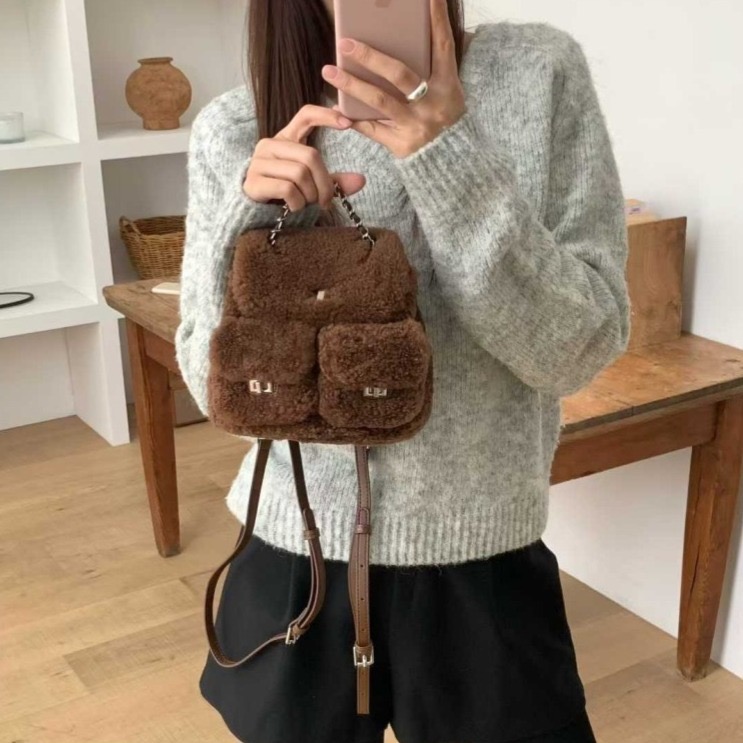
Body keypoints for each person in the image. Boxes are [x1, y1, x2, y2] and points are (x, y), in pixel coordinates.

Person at [174, 0, 631, 741]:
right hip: (296, 553)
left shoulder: (537, 73)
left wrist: (446, 157)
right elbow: (211, 384)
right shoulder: (236, 125)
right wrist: (251, 221)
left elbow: (576, 349)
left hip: (481, 555)